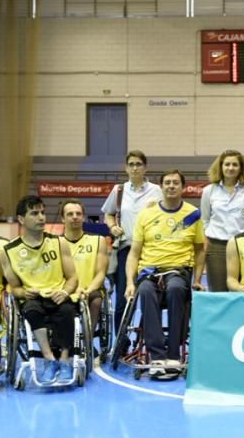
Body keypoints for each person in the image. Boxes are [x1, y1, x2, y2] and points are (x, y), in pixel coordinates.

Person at [125, 170, 206, 378]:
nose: (171, 186)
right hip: (150, 271)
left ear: (183, 187)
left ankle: (173, 356)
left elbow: (199, 250)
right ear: (161, 187)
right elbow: (134, 253)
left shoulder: (193, 214)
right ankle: (157, 356)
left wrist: (196, 279)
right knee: (145, 290)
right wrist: (129, 282)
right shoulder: (147, 214)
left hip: (178, 270)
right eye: (167, 183)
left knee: (176, 289)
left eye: (175, 183)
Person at [1, 196, 79, 383]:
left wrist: (66, 292)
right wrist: (23, 293)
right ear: (21, 219)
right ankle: (49, 358)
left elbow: (73, 278)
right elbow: (15, 288)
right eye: (34, 213)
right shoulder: (8, 251)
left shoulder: (59, 243)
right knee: (31, 310)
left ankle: (65, 360)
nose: (41, 217)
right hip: (33, 298)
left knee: (68, 310)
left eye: (42, 212)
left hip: (57, 294)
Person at [101, 150, 161, 329]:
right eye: (131, 164)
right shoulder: (119, 190)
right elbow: (108, 214)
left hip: (151, 251)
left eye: (139, 164)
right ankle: (122, 344)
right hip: (126, 249)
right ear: (126, 168)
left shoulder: (157, 191)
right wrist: (112, 227)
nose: (135, 168)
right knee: (123, 300)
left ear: (145, 168)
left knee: (150, 298)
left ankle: (144, 342)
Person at [200, 149, 244, 292]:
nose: (230, 168)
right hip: (217, 247)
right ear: (220, 167)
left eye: (235, 165)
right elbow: (205, 219)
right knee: (218, 291)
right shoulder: (209, 190)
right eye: (227, 164)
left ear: (240, 168)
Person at [61, 199, 110, 340]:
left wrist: (88, 291)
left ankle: (87, 342)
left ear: (83, 217)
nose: (75, 217)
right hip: (65, 291)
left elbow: (101, 273)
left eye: (78, 213)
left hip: (90, 289)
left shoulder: (98, 240)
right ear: (63, 218)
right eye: (70, 214)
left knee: (95, 301)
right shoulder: (55, 243)